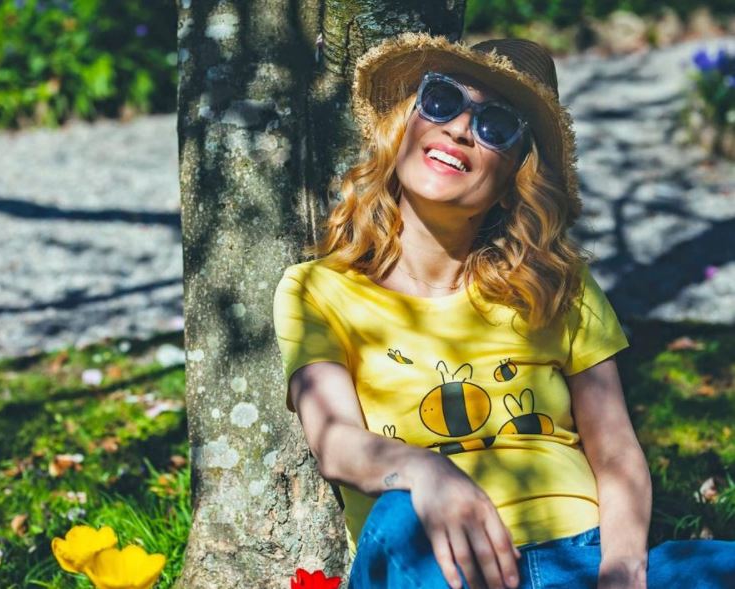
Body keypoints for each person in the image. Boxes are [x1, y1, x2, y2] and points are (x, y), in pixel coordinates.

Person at [272, 32, 735, 589]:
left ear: (516, 176)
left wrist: (621, 570)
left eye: (495, 126)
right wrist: (424, 469)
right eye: (441, 100)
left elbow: (616, 450)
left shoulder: (557, 285)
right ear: (403, 126)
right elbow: (335, 442)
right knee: (399, 514)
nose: (460, 128)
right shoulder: (317, 289)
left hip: (583, 558)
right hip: (437, 558)